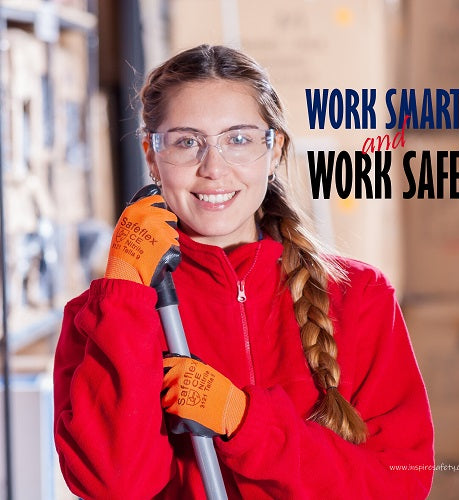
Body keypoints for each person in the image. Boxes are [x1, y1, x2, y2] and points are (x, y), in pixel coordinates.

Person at [53, 44, 434, 499]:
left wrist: (244, 421)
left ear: (274, 152)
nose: (213, 169)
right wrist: (124, 293)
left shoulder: (360, 296)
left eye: (238, 139)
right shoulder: (105, 316)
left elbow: (401, 483)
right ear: (151, 156)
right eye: (186, 141)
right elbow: (114, 486)